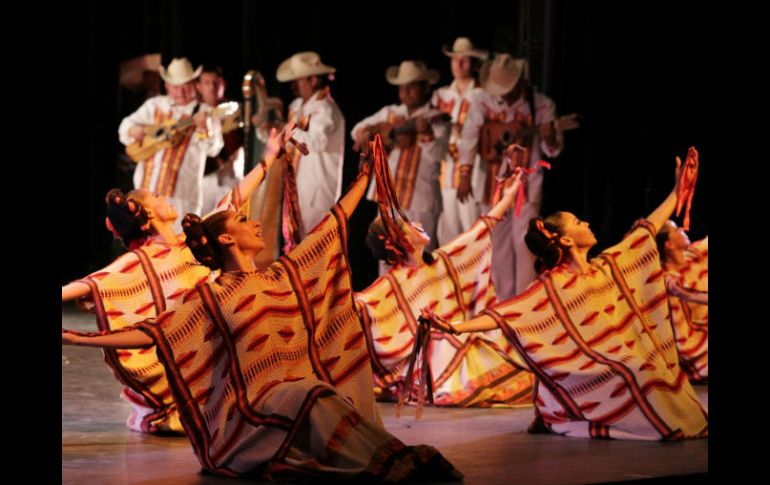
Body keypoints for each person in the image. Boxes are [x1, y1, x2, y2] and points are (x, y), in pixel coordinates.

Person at [63, 156, 463, 481]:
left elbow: (330, 228)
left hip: (290, 393)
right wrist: (78, 340)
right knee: (309, 395)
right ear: (225, 239)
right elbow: (154, 333)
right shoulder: (212, 294)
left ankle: (390, 456)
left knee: (320, 393)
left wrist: (363, 179)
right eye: (242, 222)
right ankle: (387, 467)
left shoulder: (279, 276)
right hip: (247, 412)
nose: (254, 223)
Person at [424, 148, 708, 440]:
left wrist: (678, 189)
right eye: (577, 223)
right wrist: (453, 327)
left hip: (612, 357)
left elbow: (648, 229)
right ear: (567, 239)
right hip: (587, 368)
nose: (585, 223)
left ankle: (672, 423)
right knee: (635, 373)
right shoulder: (552, 284)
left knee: (655, 369)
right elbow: (503, 316)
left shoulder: (606, 266)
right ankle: (609, 420)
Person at [61, 127, 293, 434]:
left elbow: (233, 202)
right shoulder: (139, 261)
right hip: (179, 362)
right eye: (156, 197)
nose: (164, 196)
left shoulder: (192, 245)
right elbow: (91, 285)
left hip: (209, 355)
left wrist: (268, 156)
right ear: (146, 213)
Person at [356, 168, 533, 407]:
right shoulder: (391, 283)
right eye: (409, 224)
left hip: (460, 341)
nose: (418, 224)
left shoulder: (444, 260)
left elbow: (481, 229)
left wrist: (509, 196)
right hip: (431, 358)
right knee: (444, 340)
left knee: (472, 342)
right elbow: (364, 306)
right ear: (397, 240)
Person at [458, 53, 566, 299]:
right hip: (492, 185)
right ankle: (503, 305)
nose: (503, 94)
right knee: (498, 249)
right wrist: (464, 172)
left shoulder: (540, 104)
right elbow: (469, 136)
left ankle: (522, 304)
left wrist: (549, 135)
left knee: (525, 246)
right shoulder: (483, 100)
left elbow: (553, 150)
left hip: (526, 188)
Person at [351, 60, 450, 255]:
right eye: (402, 87)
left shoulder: (437, 118)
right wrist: (365, 133)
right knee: (386, 255)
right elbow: (356, 130)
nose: (405, 92)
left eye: (412, 87)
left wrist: (427, 135)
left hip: (421, 199)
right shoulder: (390, 114)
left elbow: (440, 154)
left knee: (419, 256)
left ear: (426, 87)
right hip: (389, 196)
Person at [118, 57, 224, 232]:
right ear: (167, 85)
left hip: (182, 198)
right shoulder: (154, 105)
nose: (180, 92)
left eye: (186, 86)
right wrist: (135, 130)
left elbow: (214, 149)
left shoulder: (205, 112)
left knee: (178, 249)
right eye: (175, 86)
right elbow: (125, 128)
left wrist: (205, 128)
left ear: (194, 84)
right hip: (146, 192)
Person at [258, 51, 346, 239]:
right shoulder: (298, 106)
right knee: (296, 246)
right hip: (297, 186)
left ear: (313, 80)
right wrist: (270, 129)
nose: (293, 85)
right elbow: (288, 140)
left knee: (314, 246)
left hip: (317, 191)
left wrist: (286, 129)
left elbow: (317, 141)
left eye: (298, 80)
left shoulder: (325, 108)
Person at [432, 37, 489, 247]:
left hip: (471, 175)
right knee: (446, 237)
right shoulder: (441, 95)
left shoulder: (481, 95)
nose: (459, 64)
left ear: (472, 63)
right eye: (455, 59)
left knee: (472, 234)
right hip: (444, 174)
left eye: (464, 60)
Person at [657, 220, 708, 382]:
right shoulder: (665, 280)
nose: (683, 229)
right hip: (699, 353)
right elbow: (683, 338)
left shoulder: (696, 254)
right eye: (677, 229)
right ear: (669, 244)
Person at [196, 64, 246, 215]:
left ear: (223, 84)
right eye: (206, 82)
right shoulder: (194, 114)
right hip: (203, 183)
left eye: (215, 82)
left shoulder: (236, 110)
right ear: (198, 86)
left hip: (230, 180)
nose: (211, 87)